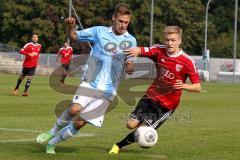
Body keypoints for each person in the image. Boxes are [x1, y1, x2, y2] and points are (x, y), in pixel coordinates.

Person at [36, 3, 136, 154]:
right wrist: (70, 27)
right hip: (91, 80)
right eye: (120, 21)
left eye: (126, 22)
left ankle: (52, 143)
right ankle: (52, 131)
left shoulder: (131, 41)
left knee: (80, 122)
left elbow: (129, 64)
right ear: (114, 18)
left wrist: (130, 67)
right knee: (75, 108)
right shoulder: (98, 31)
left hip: (109, 90)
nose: (123, 25)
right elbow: (74, 36)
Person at [109, 26, 202, 154]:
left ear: (179, 41)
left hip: (166, 105)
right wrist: (132, 55)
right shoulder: (159, 50)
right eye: (167, 40)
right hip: (150, 96)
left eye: (173, 40)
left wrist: (184, 86)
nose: (169, 43)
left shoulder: (187, 62)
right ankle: (143, 128)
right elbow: (141, 50)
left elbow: (197, 87)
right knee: (130, 124)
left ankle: (118, 146)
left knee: (141, 130)